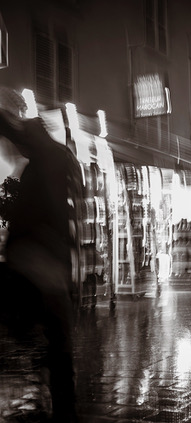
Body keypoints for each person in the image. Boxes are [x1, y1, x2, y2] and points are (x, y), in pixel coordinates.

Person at [0, 89, 82, 422]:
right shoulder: (60, 159)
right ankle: (63, 402)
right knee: (57, 339)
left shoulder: (34, 168)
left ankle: (48, 394)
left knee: (36, 331)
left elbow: (17, 208)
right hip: (56, 262)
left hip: (34, 261)